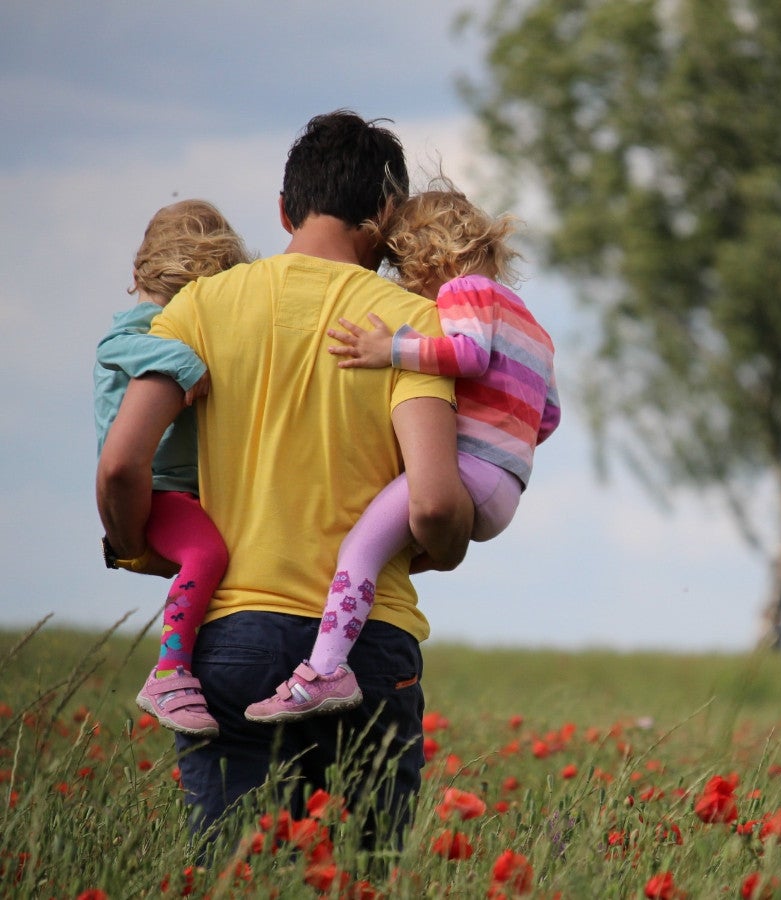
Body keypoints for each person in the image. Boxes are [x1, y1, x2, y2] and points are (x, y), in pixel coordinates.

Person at [96, 110, 474, 846]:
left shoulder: (200, 307)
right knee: (362, 879)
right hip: (367, 646)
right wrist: (450, 541)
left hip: (231, 639)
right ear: (387, 215)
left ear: (283, 209)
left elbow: (120, 462)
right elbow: (432, 503)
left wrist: (136, 543)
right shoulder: (412, 326)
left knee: (236, 873)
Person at [244, 182, 561, 723]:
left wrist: (388, 349)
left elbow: (467, 355)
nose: (403, 282)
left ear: (429, 255)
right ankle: (340, 647)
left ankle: (324, 671)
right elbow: (548, 416)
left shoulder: (464, 292)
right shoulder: (533, 325)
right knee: (386, 552)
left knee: (359, 550)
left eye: (402, 266)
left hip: (468, 470)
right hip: (507, 486)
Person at [94, 199, 251, 737]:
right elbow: (115, 345)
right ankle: (170, 671)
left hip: (182, 489)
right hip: (158, 489)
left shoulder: (165, 320)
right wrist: (184, 362)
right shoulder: (143, 327)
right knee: (207, 553)